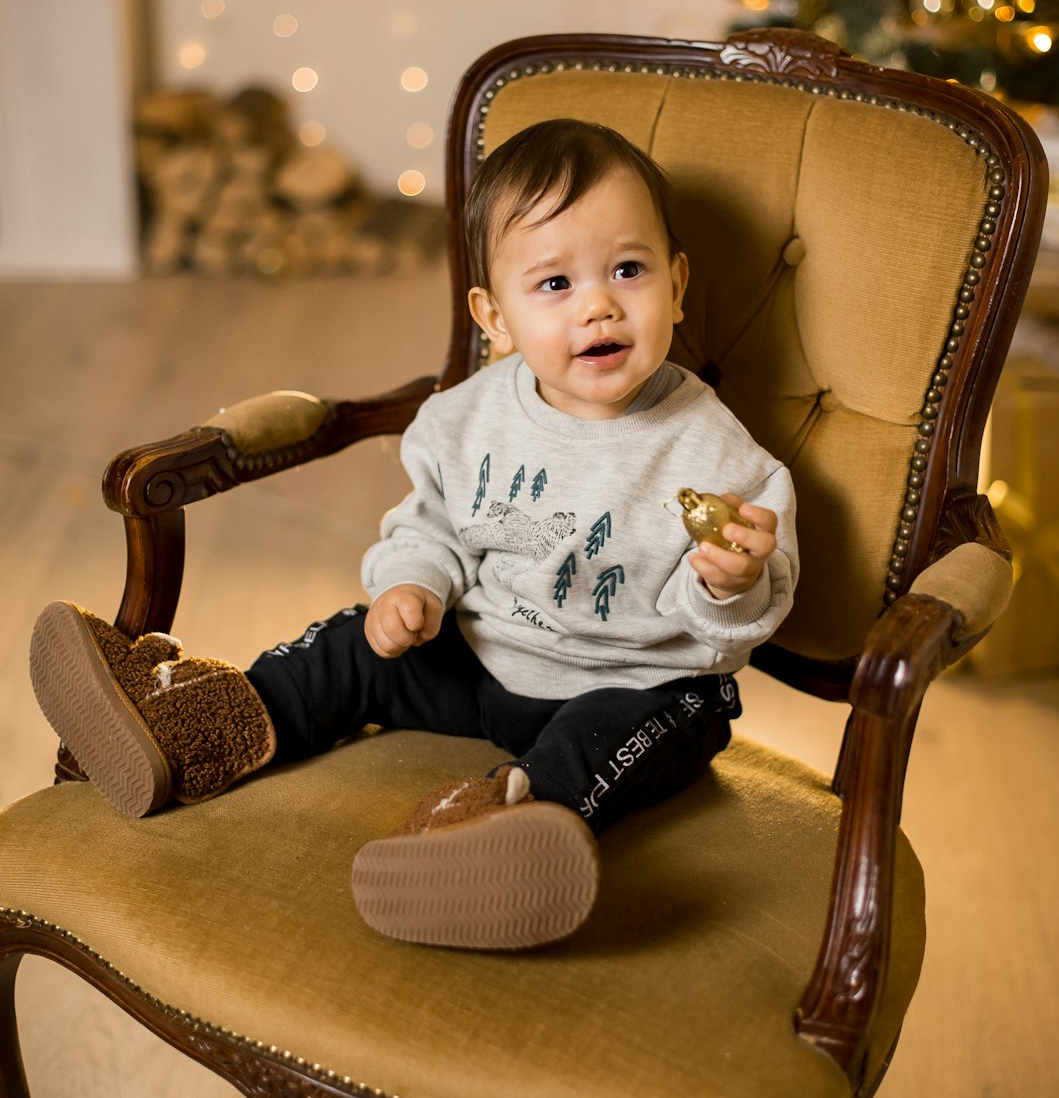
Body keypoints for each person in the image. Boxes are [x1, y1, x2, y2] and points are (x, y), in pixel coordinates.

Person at [29, 119, 797, 953]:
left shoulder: (712, 449)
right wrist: (414, 587)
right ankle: (199, 728)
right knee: (353, 648)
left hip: (643, 684)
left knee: (596, 739)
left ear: (677, 286)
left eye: (628, 269)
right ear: (493, 316)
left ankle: (500, 837)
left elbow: (744, 617)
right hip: (483, 661)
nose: (599, 304)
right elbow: (430, 525)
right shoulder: (468, 418)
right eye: (554, 284)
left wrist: (729, 582)